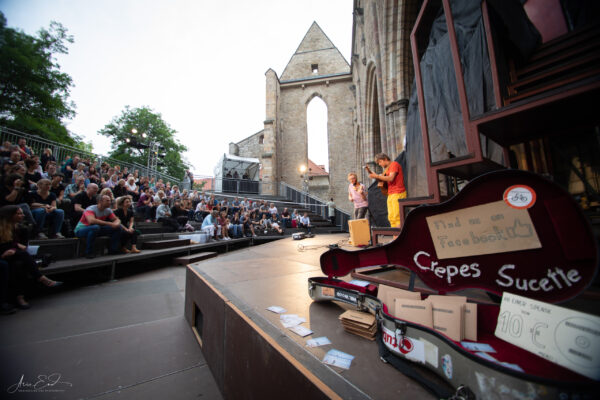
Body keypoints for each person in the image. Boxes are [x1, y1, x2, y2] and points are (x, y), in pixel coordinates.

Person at [0, 205, 62, 311]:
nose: (23, 215)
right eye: (19, 213)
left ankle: (19, 297)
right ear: (9, 216)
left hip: (13, 256)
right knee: (16, 260)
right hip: (4, 256)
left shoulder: (19, 229)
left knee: (17, 265)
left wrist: (14, 248)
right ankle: (40, 278)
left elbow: (18, 246)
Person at [73, 193, 121, 258]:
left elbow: (116, 219)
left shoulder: (108, 210)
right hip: (81, 230)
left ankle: (113, 250)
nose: (110, 202)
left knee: (118, 228)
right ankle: (88, 252)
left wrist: (116, 224)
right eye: (107, 201)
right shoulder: (90, 209)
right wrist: (110, 224)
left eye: (110, 200)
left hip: (97, 229)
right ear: (100, 201)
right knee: (95, 227)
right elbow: (91, 221)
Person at [368, 153, 406, 228]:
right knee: (391, 217)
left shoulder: (394, 164)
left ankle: (399, 237)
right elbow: (384, 180)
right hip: (391, 193)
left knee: (397, 217)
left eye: (380, 162)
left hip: (398, 192)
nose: (379, 164)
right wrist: (377, 176)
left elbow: (391, 178)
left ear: (385, 159)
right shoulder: (387, 169)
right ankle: (395, 237)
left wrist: (377, 176)